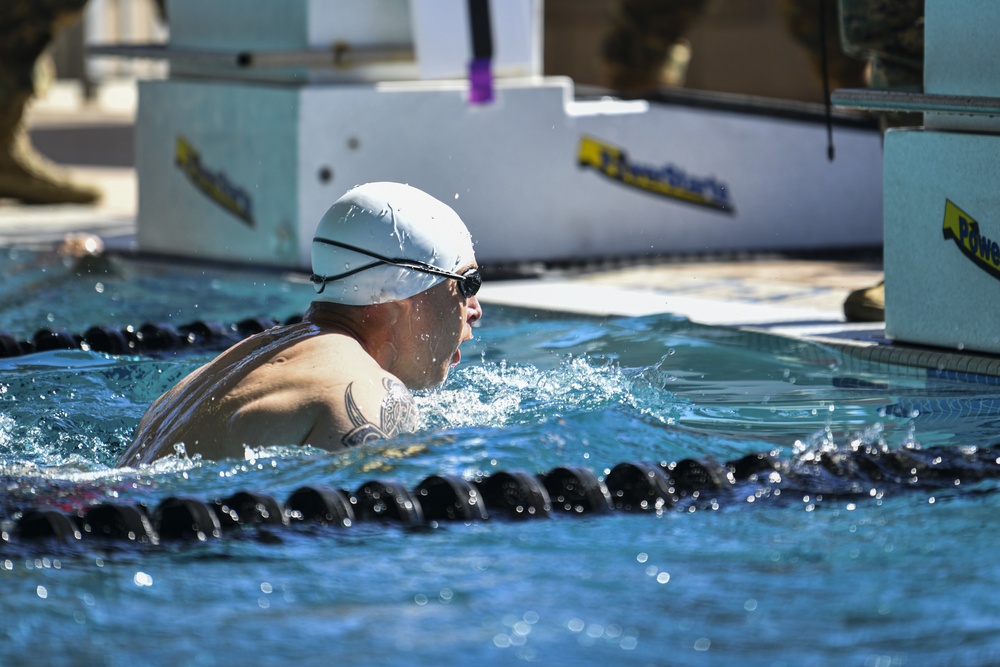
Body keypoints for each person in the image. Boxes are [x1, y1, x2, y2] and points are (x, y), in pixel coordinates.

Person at [118, 182, 484, 465]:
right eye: (467, 284)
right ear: (395, 304)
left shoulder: (225, 366)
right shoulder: (368, 393)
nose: (475, 309)